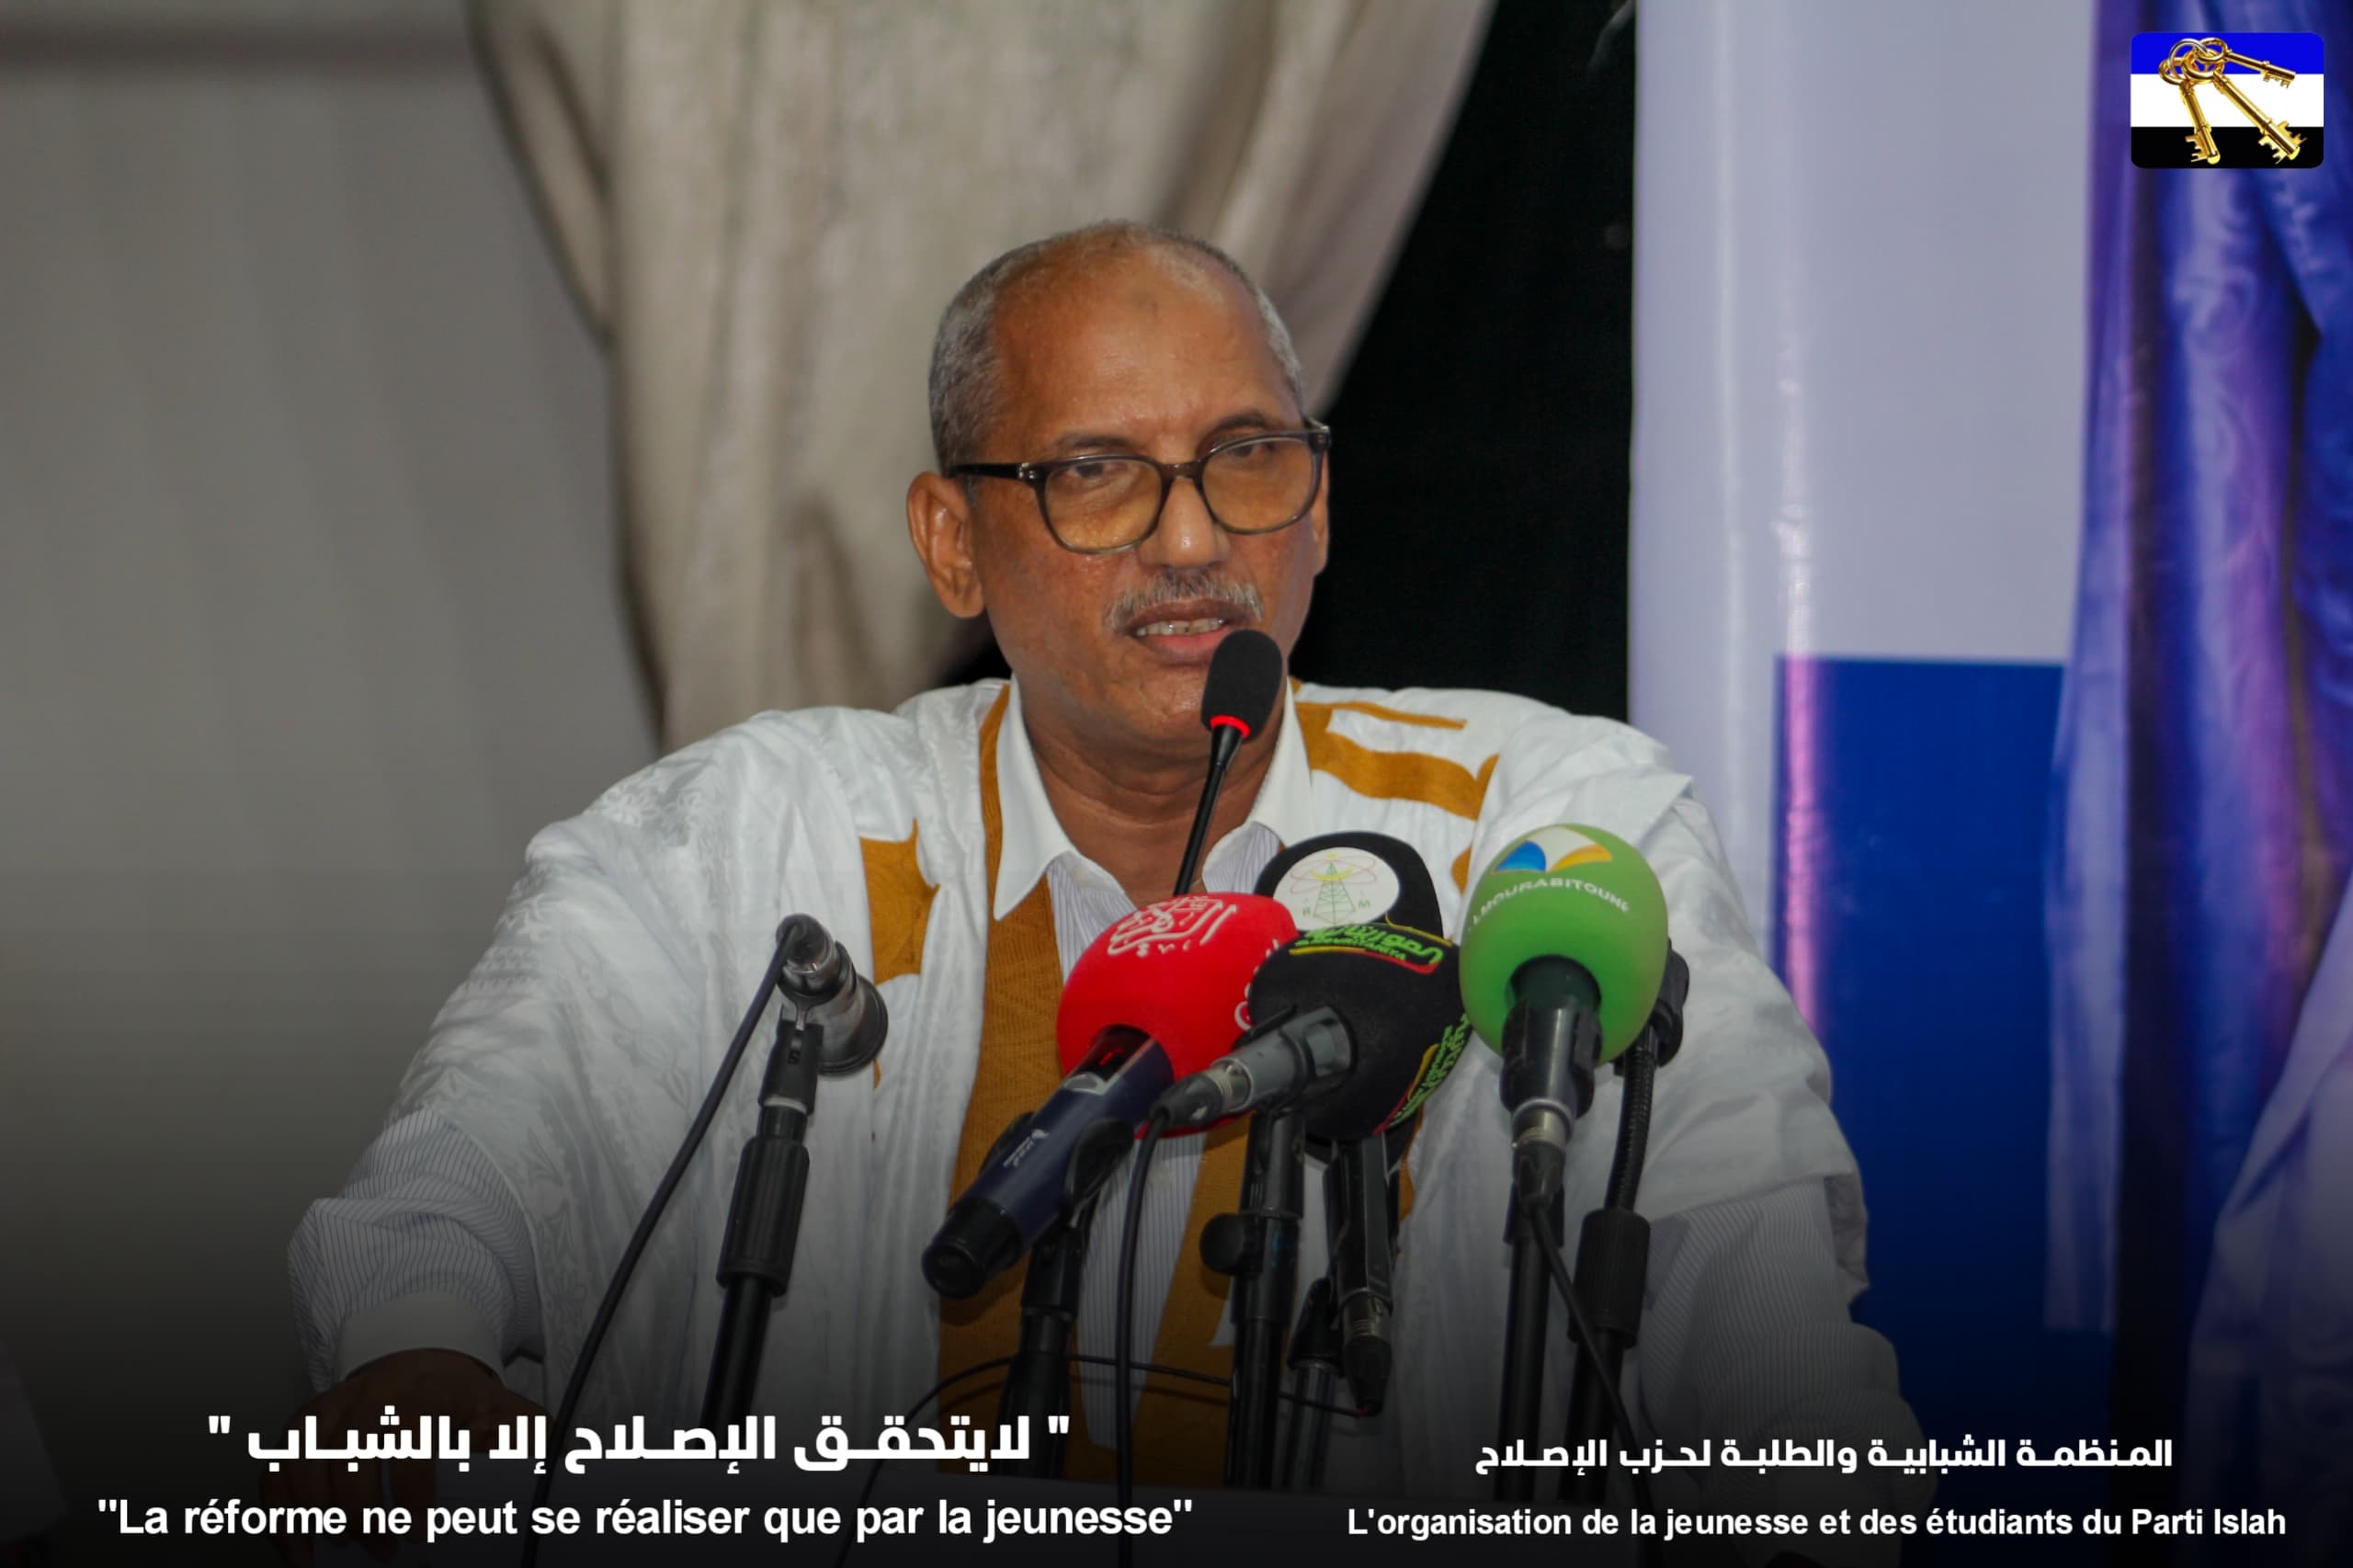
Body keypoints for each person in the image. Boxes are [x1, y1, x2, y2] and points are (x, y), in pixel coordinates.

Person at [276, 222, 1926, 1562]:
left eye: (1246, 458)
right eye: (1097, 473)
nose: (1192, 539)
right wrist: (418, 1384)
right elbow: (449, 1199)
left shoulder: (1539, 822)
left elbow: (1750, 1263)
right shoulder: (753, 837)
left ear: (1322, 502)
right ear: (951, 541)